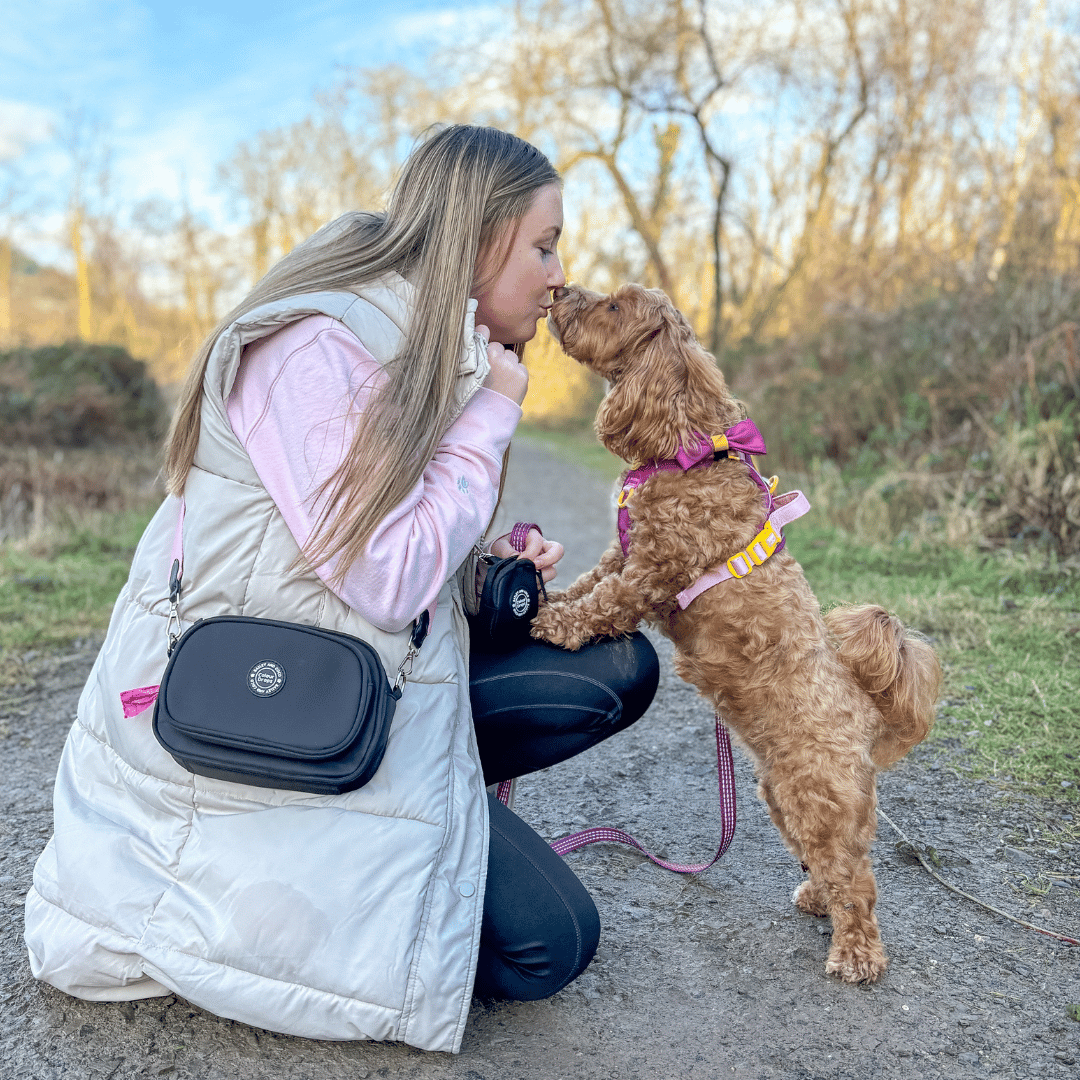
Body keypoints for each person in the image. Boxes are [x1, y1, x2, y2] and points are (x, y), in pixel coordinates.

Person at [23, 125, 659, 1054]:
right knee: (548, 947)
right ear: (480, 239)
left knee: (619, 667)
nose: (558, 276)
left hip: (356, 669)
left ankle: (429, 812)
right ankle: (330, 862)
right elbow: (385, 578)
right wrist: (491, 414)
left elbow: (374, 553)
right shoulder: (315, 350)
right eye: (544, 245)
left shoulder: (431, 349)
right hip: (256, 711)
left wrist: (485, 567)